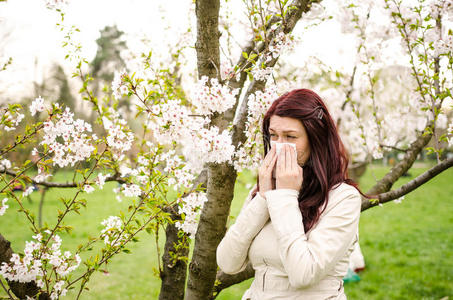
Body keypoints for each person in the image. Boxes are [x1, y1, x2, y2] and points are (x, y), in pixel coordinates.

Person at [217, 89, 365, 299]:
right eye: (273, 135)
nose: (278, 146)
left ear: (316, 140)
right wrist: (263, 198)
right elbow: (227, 262)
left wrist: (286, 195)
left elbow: (303, 274)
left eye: (290, 137)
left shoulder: (343, 198)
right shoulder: (265, 192)